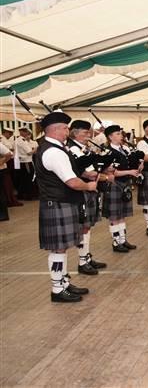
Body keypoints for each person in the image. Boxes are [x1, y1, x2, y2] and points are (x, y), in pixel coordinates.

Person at [34, 112, 97, 302]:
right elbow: (72, 181)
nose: (67, 131)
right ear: (54, 130)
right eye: (64, 128)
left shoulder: (54, 148)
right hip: (57, 203)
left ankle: (63, 283)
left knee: (61, 249)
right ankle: (57, 289)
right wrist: (89, 186)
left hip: (60, 203)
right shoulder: (53, 152)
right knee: (58, 249)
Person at [67, 120, 109, 273]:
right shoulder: (73, 149)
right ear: (75, 133)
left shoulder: (81, 148)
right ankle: (82, 262)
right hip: (82, 189)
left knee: (87, 226)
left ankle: (86, 257)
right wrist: (103, 176)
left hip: (89, 189)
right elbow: (87, 173)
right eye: (85, 133)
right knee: (83, 226)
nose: (88, 136)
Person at [106, 125, 142, 252]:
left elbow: (131, 164)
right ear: (110, 137)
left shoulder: (124, 149)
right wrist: (130, 172)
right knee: (114, 216)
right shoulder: (107, 152)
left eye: (120, 133)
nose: (120, 136)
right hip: (114, 185)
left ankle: (123, 240)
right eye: (117, 134)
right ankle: (116, 243)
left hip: (125, 184)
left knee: (122, 215)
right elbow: (111, 172)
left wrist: (139, 164)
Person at [0, 128, 21, 207]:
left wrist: (2, 162)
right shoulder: (4, 140)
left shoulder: (2, 142)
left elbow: (9, 153)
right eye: (10, 133)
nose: (11, 135)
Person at [15, 127, 36, 200]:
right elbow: (29, 152)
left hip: (23, 162)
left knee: (23, 179)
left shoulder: (19, 140)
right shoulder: (22, 141)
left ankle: (21, 195)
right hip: (26, 162)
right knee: (28, 179)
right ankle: (28, 196)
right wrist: (37, 148)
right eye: (26, 132)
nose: (27, 133)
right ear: (22, 132)